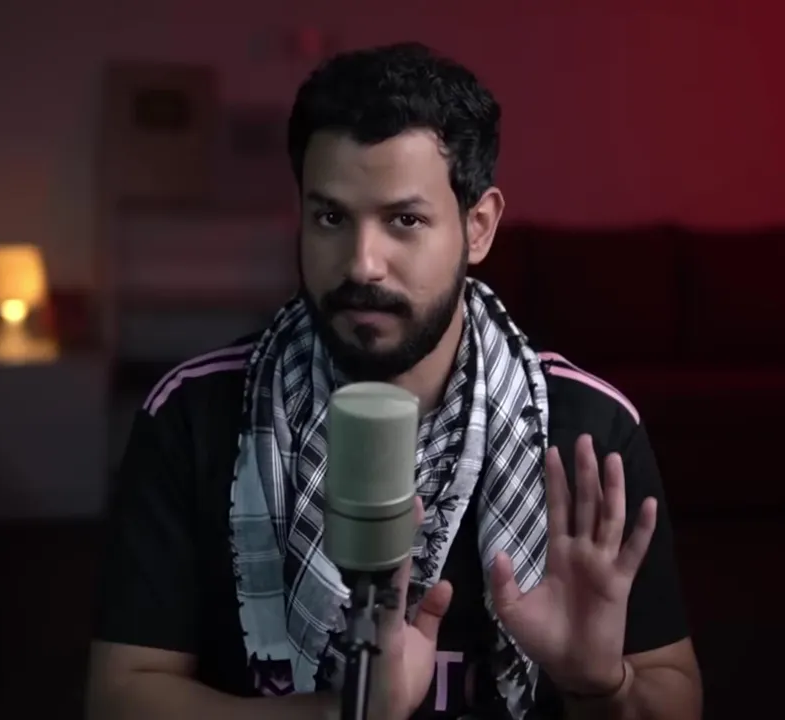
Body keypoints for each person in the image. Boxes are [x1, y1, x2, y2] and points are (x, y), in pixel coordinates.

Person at [87, 42, 703, 720]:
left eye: (404, 221)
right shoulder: (194, 415)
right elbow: (121, 695)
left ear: (478, 228)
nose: (362, 264)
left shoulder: (588, 429)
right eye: (330, 217)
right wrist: (345, 712)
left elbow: (672, 692)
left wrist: (602, 685)